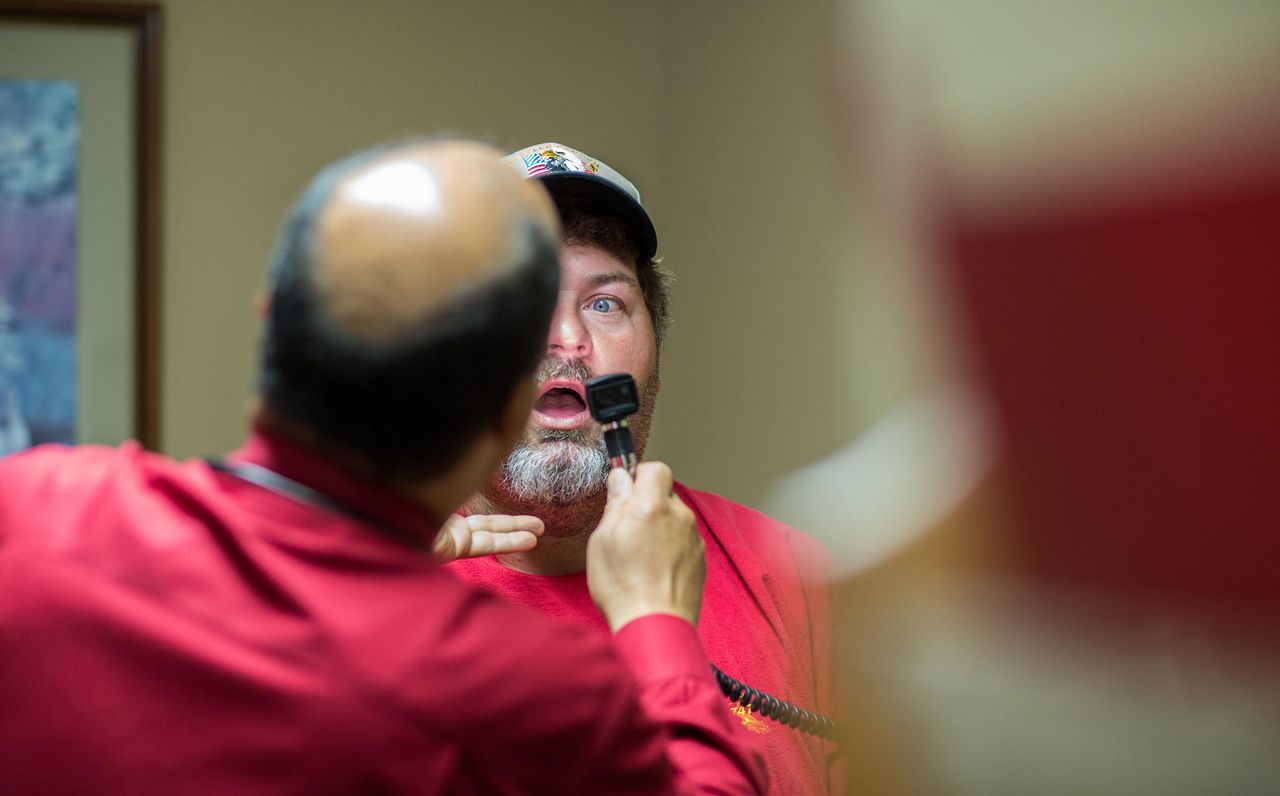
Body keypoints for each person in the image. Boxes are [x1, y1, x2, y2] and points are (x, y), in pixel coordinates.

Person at [0, 139, 765, 794]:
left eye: (604, 304)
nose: (568, 341)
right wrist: (657, 623)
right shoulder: (518, 688)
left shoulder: (37, 512)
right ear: (506, 406)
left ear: (271, 324)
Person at [449, 142, 840, 795]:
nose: (568, 340)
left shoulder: (792, 574)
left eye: (605, 304)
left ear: (652, 365)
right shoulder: (374, 584)